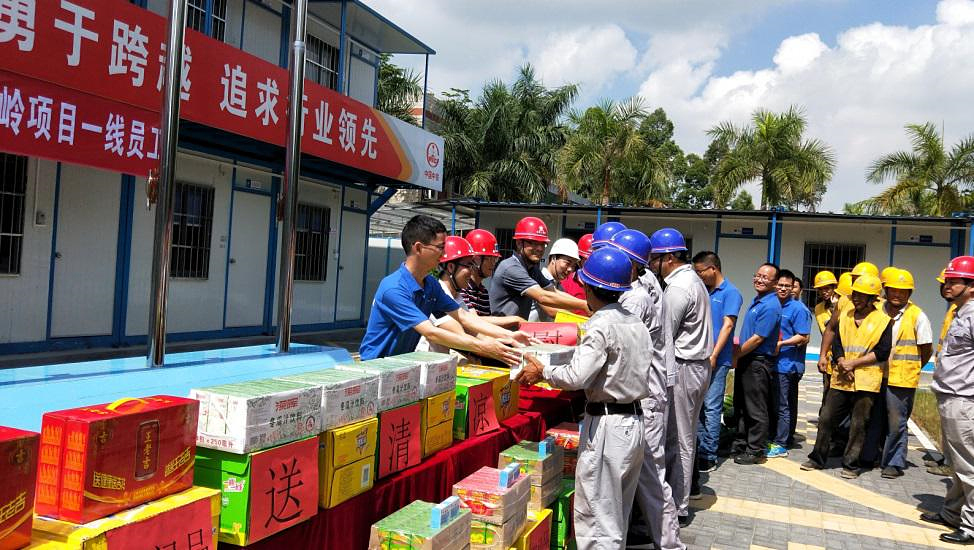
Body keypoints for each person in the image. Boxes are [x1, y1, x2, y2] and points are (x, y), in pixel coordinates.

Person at [516, 246, 650, 549]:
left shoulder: (601, 324)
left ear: (589, 288)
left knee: (597, 518)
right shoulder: (634, 322)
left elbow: (577, 376)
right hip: (634, 422)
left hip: (608, 425)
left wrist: (543, 371)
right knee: (616, 516)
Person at [360, 215, 522, 364]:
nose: (444, 253)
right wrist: (483, 346)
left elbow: (464, 317)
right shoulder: (394, 288)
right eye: (440, 247)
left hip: (401, 364)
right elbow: (430, 332)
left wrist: (509, 335)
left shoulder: (430, 284)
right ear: (419, 248)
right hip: (376, 365)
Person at [612, 230, 683, 550]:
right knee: (635, 476)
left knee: (652, 475)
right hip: (645, 393)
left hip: (646, 397)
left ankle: (669, 543)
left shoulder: (636, 297)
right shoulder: (640, 287)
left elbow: (618, 342)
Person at [649, 228, 713, 525]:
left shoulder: (678, 287)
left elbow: (663, 335)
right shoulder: (692, 280)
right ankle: (678, 501)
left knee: (679, 439)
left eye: (655, 259)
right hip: (695, 365)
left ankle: (678, 506)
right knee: (682, 437)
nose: (652, 265)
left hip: (686, 365)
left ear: (670, 258)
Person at [801, 274, 892, 478]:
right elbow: (837, 342)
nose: (856, 298)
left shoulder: (884, 320)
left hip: (866, 381)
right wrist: (842, 362)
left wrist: (854, 364)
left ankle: (851, 464)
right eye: (855, 294)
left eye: (861, 295)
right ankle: (817, 458)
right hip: (841, 377)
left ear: (872, 298)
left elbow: (882, 351)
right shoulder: (846, 315)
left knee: (859, 424)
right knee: (826, 418)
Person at [920, 256, 974, 544]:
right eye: (947, 280)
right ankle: (952, 513)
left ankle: (971, 526)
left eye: (954, 281)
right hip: (951, 396)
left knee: (968, 466)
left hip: (964, 400)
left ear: (972, 286)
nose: (947, 285)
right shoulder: (959, 313)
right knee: (957, 464)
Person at [860, 268, 932, 478]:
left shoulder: (918, 316)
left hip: (901, 379)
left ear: (910, 293)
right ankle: (869, 456)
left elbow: (926, 349)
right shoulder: (876, 311)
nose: (897, 294)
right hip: (874, 374)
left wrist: (913, 367)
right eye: (893, 290)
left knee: (896, 422)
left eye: (903, 291)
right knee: (873, 417)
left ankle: (894, 463)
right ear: (886, 290)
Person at [692, 251, 743, 473]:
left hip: (717, 360)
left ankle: (708, 455)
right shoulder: (704, 290)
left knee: (712, 407)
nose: (698, 276)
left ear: (713, 269)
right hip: (697, 358)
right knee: (698, 406)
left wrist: (714, 355)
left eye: (700, 271)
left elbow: (728, 326)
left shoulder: (731, 293)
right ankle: (698, 447)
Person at [488, 217, 589, 319]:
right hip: (501, 328)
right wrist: (583, 305)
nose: (540, 248)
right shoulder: (511, 268)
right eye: (533, 243)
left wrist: (587, 303)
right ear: (519, 243)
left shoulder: (532, 270)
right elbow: (542, 296)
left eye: (543, 244)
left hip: (518, 328)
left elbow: (553, 291)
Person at [732, 262, 782, 465]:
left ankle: (755, 450)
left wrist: (736, 356)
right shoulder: (759, 301)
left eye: (765, 277)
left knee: (755, 407)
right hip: (747, 359)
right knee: (742, 405)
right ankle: (741, 443)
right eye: (758, 275)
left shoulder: (770, 306)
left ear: (775, 283)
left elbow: (758, 338)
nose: (759, 279)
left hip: (757, 362)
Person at [770, 269, 812, 458]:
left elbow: (803, 336)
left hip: (787, 365)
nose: (783, 288)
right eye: (780, 285)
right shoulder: (773, 304)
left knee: (783, 405)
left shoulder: (798, 309)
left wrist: (781, 344)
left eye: (787, 286)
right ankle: (776, 437)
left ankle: (781, 443)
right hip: (773, 363)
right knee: (776, 403)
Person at [529, 238, 581, 321]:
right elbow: (552, 311)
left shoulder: (559, 286)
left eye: (574, 265)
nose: (570, 269)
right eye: (567, 263)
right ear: (553, 258)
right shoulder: (539, 279)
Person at [459, 229, 500, 318]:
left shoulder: (483, 292)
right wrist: (515, 319)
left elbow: (486, 322)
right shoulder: (462, 288)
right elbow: (473, 320)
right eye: (489, 258)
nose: (493, 263)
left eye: (495, 259)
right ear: (475, 259)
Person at [812, 271, 839, 395]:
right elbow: (825, 333)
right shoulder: (819, 308)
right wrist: (822, 356)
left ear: (834, 288)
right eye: (820, 289)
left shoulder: (844, 305)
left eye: (827, 288)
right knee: (827, 395)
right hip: (829, 357)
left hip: (843, 358)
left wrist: (835, 306)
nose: (824, 292)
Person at [560, 233, 592, 312]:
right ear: (579, 260)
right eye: (588, 260)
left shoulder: (604, 286)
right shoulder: (565, 282)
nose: (592, 264)